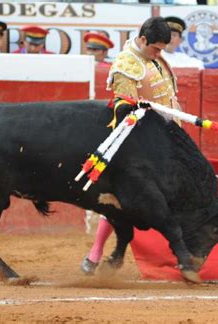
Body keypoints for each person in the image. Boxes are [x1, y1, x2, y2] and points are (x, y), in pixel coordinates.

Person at [81, 16, 180, 275]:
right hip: (139, 145)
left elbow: (170, 99)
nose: (159, 53)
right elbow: (126, 111)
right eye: (156, 48)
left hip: (166, 138)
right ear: (144, 39)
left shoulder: (155, 58)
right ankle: (96, 251)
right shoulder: (126, 64)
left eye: (161, 49)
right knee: (119, 200)